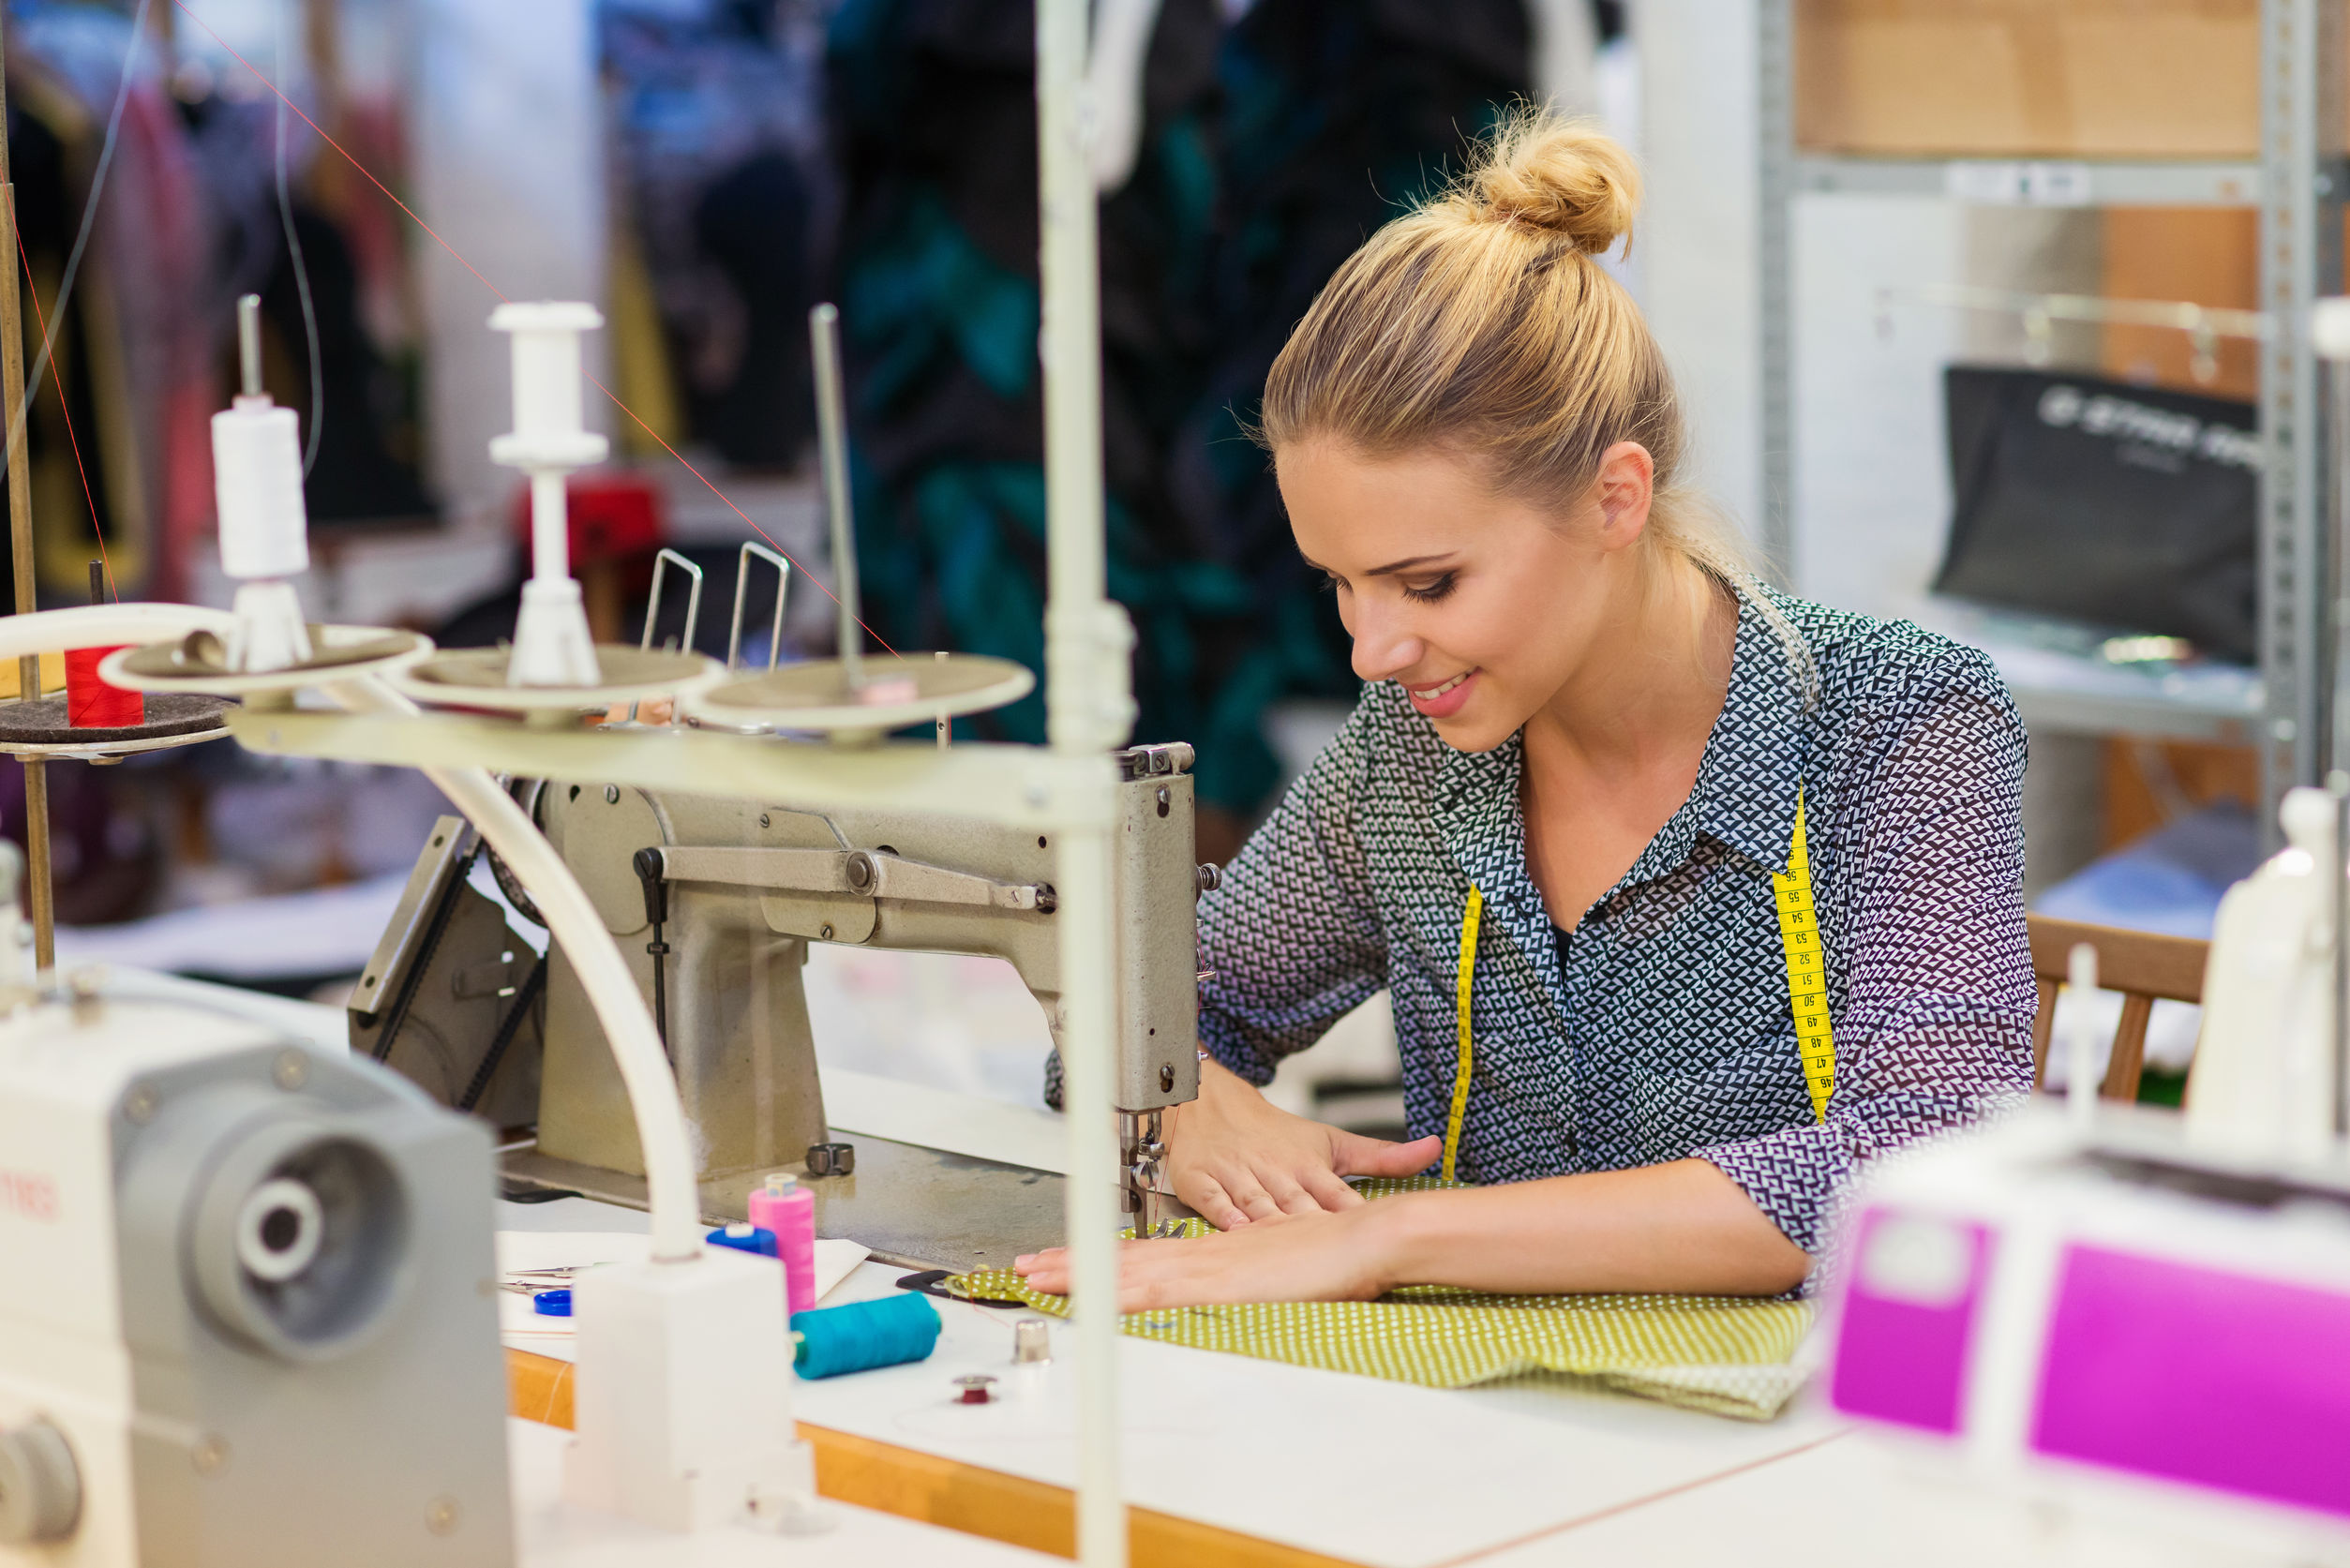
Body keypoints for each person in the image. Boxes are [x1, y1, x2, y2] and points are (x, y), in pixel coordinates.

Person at [1016, 113, 2034, 1309]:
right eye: (1339, 583)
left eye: (1426, 583)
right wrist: (1190, 1112)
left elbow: (1924, 1169)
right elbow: (1144, 1012)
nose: (1370, 650)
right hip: (1487, 1401)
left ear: (1613, 499)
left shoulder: (1899, 722)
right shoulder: (1405, 760)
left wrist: (1391, 1238)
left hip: (1804, 1409)